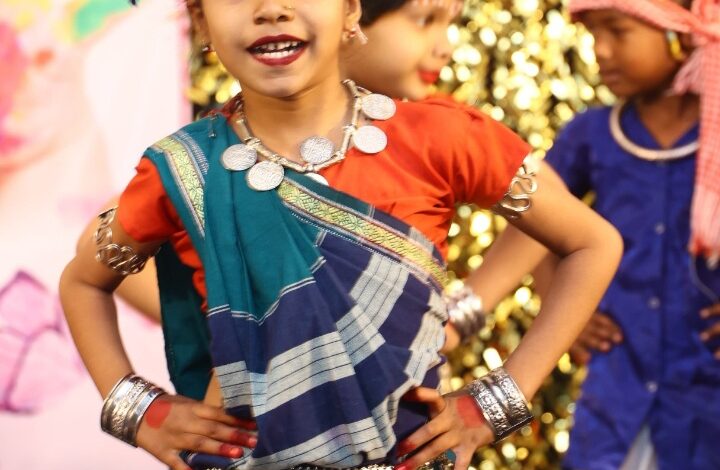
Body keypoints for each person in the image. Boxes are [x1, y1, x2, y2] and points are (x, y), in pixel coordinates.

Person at [60, 2, 622, 470]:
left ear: (351, 9)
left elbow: (592, 243)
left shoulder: (443, 138)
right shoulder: (184, 169)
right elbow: (83, 281)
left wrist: (494, 405)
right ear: (201, 20)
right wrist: (138, 412)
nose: (271, 9)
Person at [463, 0, 720, 468]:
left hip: (706, 391)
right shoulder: (591, 135)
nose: (600, 50)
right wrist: (563, 307)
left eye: (617, 31)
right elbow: (536, 225)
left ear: (680, 35)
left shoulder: (714, 134)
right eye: (593, 33)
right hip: (618, 384)